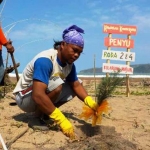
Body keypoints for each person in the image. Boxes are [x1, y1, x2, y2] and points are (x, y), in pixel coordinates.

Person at [13, 25, 98, 139]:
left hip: (36, 95)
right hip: (24, 98)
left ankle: (46, 112)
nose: (77, 55)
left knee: (74, 86)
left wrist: (91, 103)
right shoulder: (46, 60)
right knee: (57, 84)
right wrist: (61, 119)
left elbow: (76, 86)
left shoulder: (69, 65)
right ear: (63, 45)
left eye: (80, 52)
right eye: (74, 50)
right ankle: (36, 118)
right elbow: (38, 95)